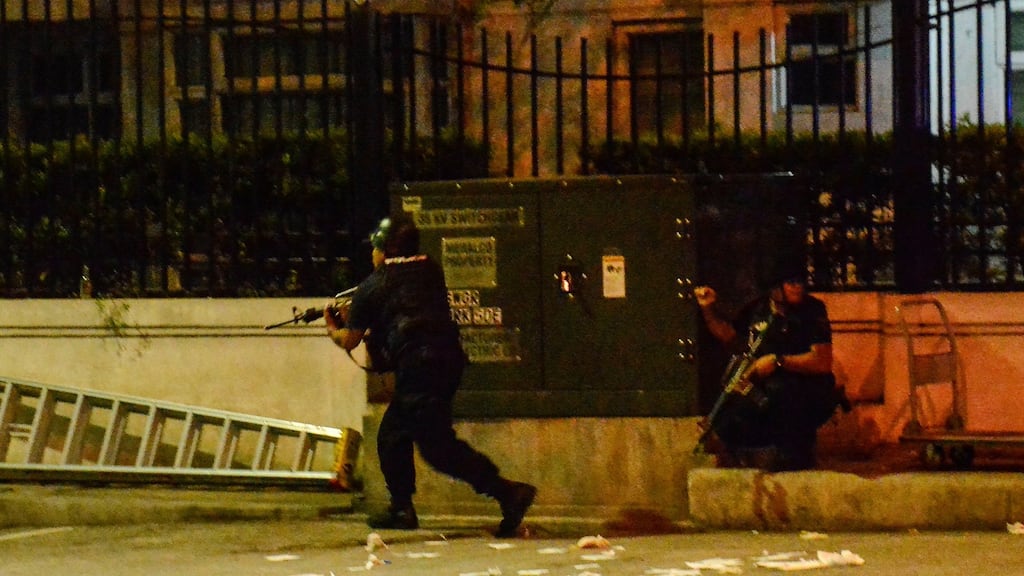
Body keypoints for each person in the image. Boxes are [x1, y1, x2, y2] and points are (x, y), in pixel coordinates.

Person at [324, 215, 537, 537]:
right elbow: (404, 305)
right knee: (395, 434)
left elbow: (350, 340)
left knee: (436, 448)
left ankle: (507, 493)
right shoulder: (429, 270)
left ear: (385, 249)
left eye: (376, 248)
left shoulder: (374, 285)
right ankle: (402, 507)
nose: (373, 254)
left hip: (418, 366)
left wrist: (333, 328)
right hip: (447, 361)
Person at [693, 256, 839, 471]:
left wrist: (778, 362)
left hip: (805, 389)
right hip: (764, 388)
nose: (798, 288)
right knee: (728, 420)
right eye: (791, 283)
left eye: (801, 282)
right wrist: (708, 309)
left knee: (782, 391)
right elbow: (729, 335)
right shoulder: (758, 309)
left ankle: (794, 458)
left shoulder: (813, 310)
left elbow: (822, 361)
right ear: (776, 288)